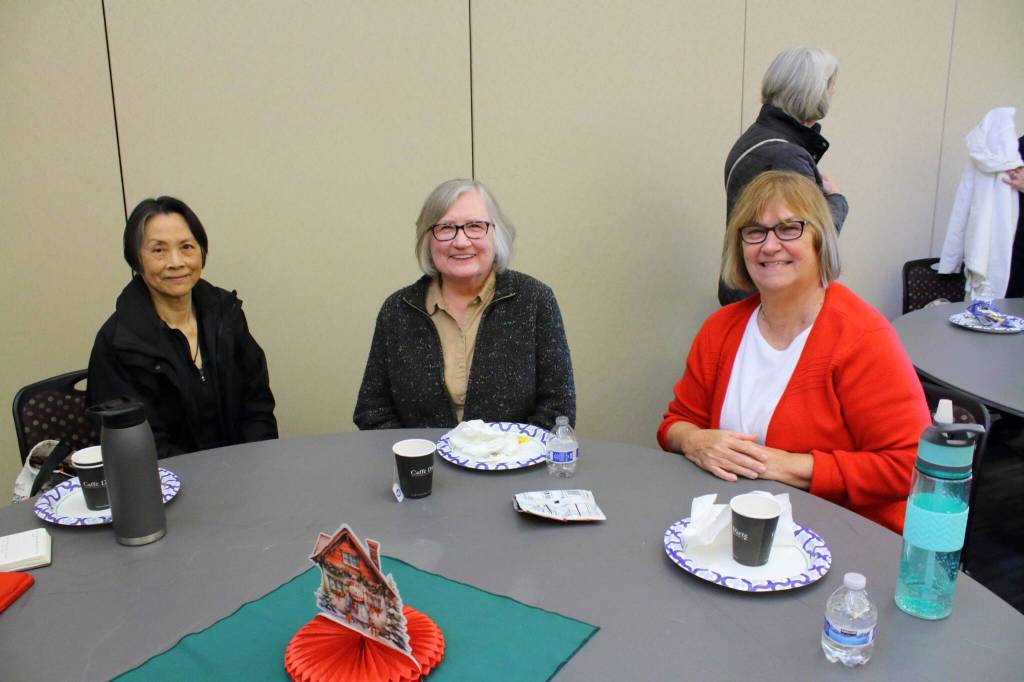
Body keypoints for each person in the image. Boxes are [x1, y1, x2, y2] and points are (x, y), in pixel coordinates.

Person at [658, 171, 929, 533]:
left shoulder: (863, 337)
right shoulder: (720, 329)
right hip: (734, 528)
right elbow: (674, 423)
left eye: (789, 228)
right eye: (755, 231)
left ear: (820, 239)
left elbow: (910, 467)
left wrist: (785, 465)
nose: (769, 246)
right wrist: (694, 441)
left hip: (846, 539)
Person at [354, 179, 575, 430]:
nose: (461, 241)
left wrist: (506, 456)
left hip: (514, 466)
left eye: (475, 226)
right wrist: (420, 458)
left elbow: (558, 409)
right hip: (422, 467)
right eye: (446, 228)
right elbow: (372, 412)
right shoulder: (397, 310)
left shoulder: (535, 300)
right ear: (428, 239)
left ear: (496, 233)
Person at [88, 196, 277, 458]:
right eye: (158, 250)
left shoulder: (226, 313)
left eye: (187, 247)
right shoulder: (118, 342)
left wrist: (256, 463)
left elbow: (257, 406)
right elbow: (138, 444)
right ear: (136, 259)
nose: (176, 262)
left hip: (242, 474)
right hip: (166, 486)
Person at [720, 46, 849, 305]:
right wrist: (836, 200)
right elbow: (810, 236)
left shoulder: (754, 138)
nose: (833, 92)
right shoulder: (786, 156)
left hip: (751, 292)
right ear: (814, 93)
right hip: (773, 301)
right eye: (829, 85)